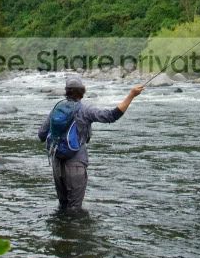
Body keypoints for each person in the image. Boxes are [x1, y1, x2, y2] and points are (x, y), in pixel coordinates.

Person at [38, 75, 144, 211]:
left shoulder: (57, 108)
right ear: (82, 92)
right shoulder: (86, 110)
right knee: (75, 209)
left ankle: (61, 225)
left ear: (66, 91)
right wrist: (131, 95)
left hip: (57, 163)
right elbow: (111, 116)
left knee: (62, 206)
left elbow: (41, 135)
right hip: (76, 163)